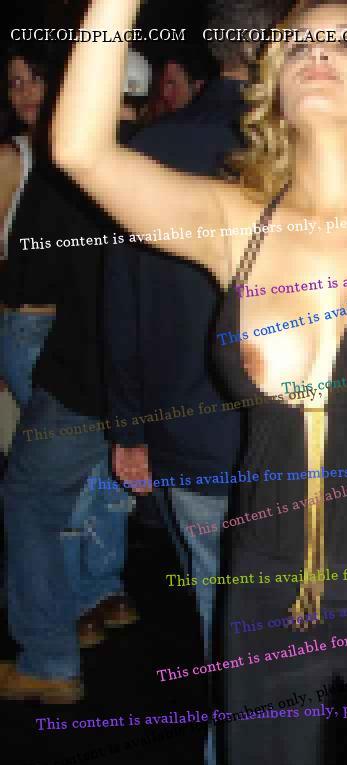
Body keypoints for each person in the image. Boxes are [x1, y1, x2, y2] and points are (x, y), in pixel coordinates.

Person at [53, 1, 347, 765]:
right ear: (272, 81)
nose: (318, 52)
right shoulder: (233, 221)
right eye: (300, 42)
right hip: (265, 588)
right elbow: (80, 150)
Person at [104, 3, 284, 765]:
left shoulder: (153, 151)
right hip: (300, 429)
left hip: (191, 427)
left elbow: (124, 304)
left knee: (222, 616)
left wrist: (129, 425)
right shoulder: (311, 146)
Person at [0, 49, 150, 704]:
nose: (26, 93)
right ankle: (100, 593)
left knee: (36, 496)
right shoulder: (164, 157)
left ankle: (49, 656)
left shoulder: (70, 161)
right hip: (148, 373)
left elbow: (36, 275)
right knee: (101, 483)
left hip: (78, 363)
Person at [0, 46, 56, 419]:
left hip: (73, 327)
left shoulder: (75, 151)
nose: (24, 92)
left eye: (35, 79)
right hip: (28, 323)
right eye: (15, 83)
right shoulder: (12, 157)